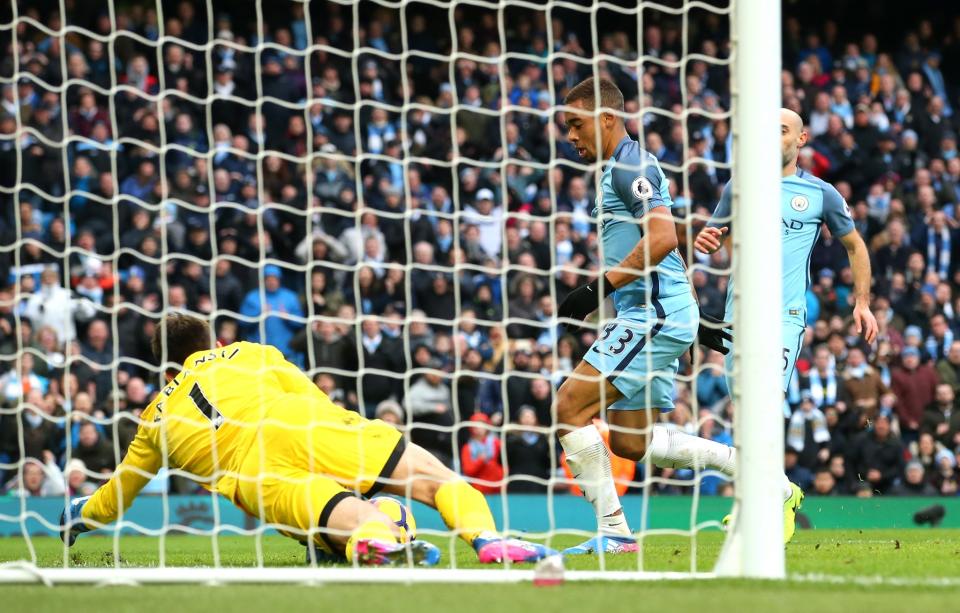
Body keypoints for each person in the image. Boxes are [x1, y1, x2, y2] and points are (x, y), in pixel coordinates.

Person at [60, 313, 554, 566]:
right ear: (212, 343)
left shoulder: (153, 418)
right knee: (434, 481)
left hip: (255, 477)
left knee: (355, 522)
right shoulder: (246, 352)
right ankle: (486, 539)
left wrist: (80, 514)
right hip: (305, 426)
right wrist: (349, 451)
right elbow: (313, 397)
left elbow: (116, 496)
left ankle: (373, 540)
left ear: (165, 368)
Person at [553, 77, 733, 556]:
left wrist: (596, 290)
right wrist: (694, 315)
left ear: (606, 119)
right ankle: (747, 468)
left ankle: (615, 535)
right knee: (631, 445)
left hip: (649, 315)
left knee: (569, 407)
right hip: (660, 312)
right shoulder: (622, 165)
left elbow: (663, 239)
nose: (569, 135)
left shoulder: (628, 164)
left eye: (575, 123)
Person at [694, 107, 879, 539]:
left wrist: (862, 303)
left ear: (801, 140)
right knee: (742, 411)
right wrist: (705, 238)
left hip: (784, 315)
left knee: (763, 401)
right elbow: (711, 235)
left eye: (782, 130)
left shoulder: (820, 194)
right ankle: (775, 494)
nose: (772, 137)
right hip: (737, 313)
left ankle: (763, 505)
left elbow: (855, 246)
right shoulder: (739, 186)